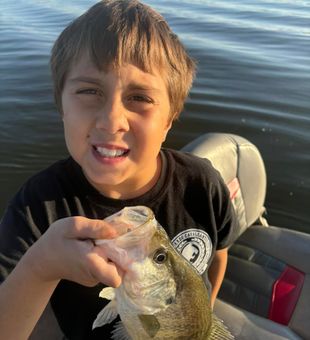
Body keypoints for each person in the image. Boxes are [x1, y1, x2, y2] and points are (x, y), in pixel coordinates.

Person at [0, 0, 236, 339]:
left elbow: (218, 255)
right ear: (61, 106)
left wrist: (199, 316)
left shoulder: (203, 184)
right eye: (90, 91)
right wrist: (40, 266)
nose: (111, 121)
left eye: (139, 97)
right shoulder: (36, 207)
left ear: (169, 120)